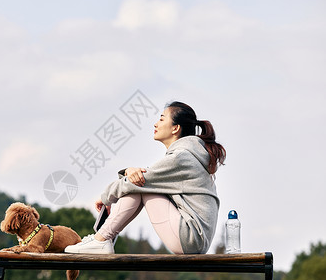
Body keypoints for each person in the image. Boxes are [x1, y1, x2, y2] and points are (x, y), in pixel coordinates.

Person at [65, 101, 226, 254]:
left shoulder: (181, 158)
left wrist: (106, 198)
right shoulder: (189, 155)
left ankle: (101, 240)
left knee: (139, 185)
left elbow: (139, 181)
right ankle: (101, 240)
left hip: (190, 238)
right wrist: (129, 171)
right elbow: (146, 177)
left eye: (162, 119)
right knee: (139, 182)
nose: (155, 124)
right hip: (193, 237)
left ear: (175, 128)